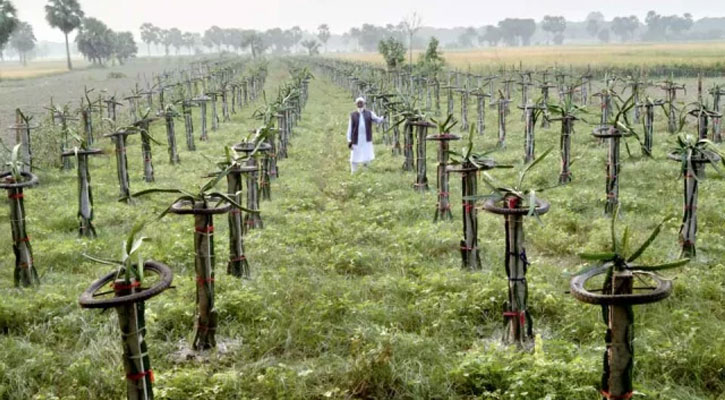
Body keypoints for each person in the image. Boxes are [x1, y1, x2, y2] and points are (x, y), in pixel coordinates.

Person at [346, 97, 384, 173]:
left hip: (366, 138)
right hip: (356, 138)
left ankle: (366, 171)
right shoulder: (353, 115)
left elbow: (377, 120)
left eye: (361, 103)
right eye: (358, 103)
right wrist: (349, 140)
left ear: (364, 104)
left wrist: (383, 118)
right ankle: (354, 172)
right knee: (354, 156)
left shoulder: (369, 113)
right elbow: (350, 128)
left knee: (366, 155)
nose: (360, 104)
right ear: (356, 104)